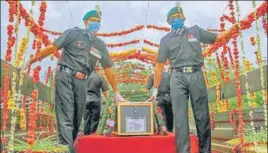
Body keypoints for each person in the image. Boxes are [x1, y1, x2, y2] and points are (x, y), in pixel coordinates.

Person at [25, 5, 126, 153]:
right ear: (85, 22)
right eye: (92, 20)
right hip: (65, 76)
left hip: (82, 82)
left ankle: (67, 148)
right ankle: (70, 150)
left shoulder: (100, 45)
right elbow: (52, 48)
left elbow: (108, 69)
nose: (95, 24)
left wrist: (116, 92)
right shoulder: (73, 33)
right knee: (66, 115)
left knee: (77, 119)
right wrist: (32, 60)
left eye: (98, 21)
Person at [147, 2, 239, 153]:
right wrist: (155, 90)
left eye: (179, 16)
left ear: (184, 17)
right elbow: (159, 65)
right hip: (176, 77)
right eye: (174, 17)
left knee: (202, 115)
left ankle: (205, 150)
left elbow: (217, 38)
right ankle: (183, 151)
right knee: (180, 118)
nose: (177, 19)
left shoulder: (195, 31)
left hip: (196, 74)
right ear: (169, 21)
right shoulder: (166, 40)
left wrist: (233, 30)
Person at [147, 64, 173, 132]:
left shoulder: (152, 76)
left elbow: (148, 88)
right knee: (170, 115)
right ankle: (170, 131)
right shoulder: (169, 75)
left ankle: (163, 131)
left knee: (161, 115)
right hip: (169, 98)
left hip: (159, 98)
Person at [84, 70, 109, 135]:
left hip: (85, 100)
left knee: (86, 119)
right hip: (96, 100)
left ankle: (86, 136)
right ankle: (92, 135)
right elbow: (106, 92)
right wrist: (109, 103)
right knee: (94, 120)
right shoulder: (99, 77)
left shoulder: (83, 76)